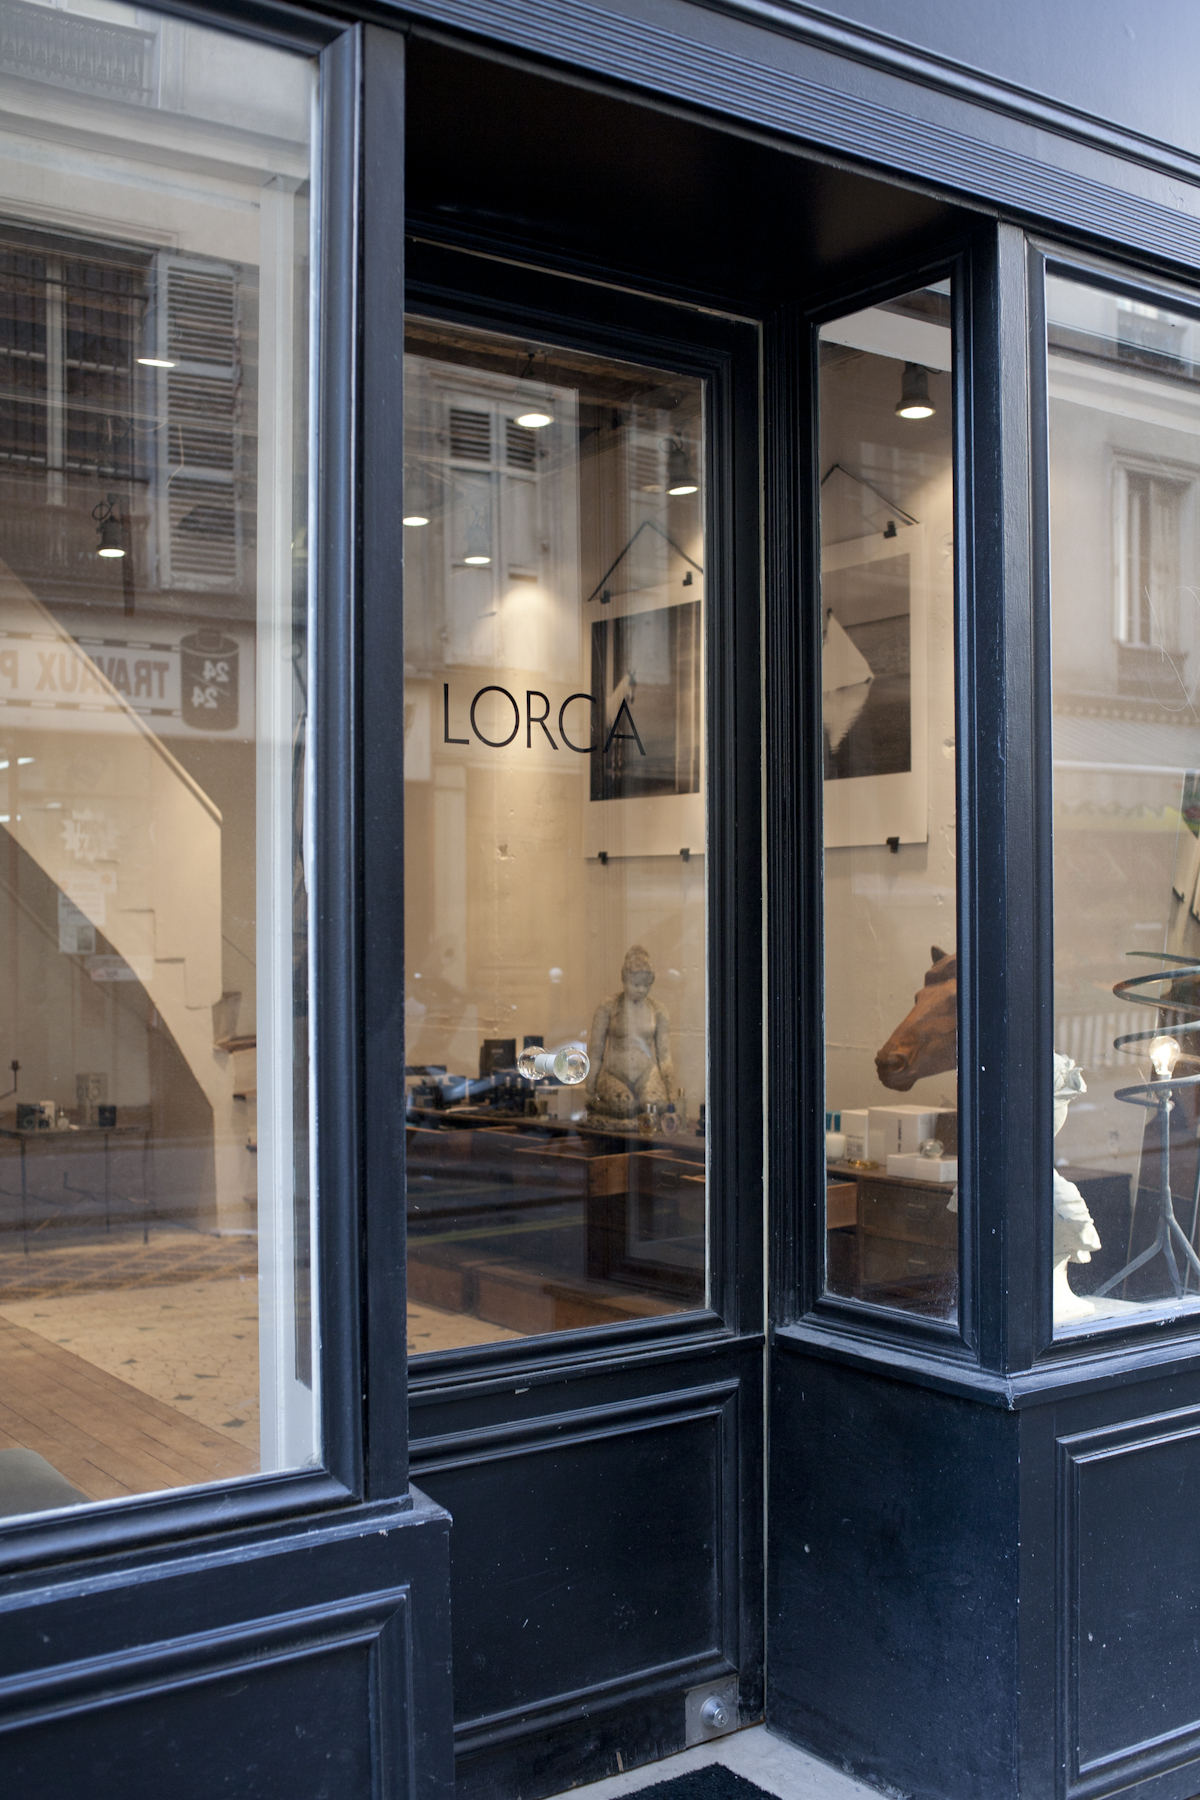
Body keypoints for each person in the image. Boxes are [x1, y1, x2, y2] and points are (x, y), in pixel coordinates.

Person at [586, 945, 675, 1119]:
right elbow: (596, 1052)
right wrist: (591, 1087)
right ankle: (601, 1108)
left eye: (646, 985)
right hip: (614, 1073)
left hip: (646, 1073)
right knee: (623, 1106)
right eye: (636, 984)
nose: (641, 989)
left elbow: (664, 1056)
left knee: (654, 1105)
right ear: (624, 980)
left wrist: (671, 1092)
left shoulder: (658, 1010)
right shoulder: (608, 1006)